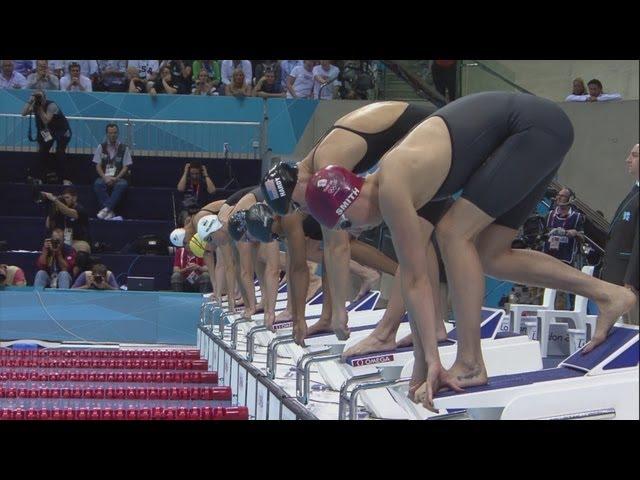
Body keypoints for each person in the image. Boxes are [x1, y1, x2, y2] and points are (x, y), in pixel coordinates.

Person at [304, 91, 636, 411]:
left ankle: (471, 362)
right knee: (491, 254)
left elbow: (417, 282)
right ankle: (608, 294)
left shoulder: (392, 188)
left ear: (352, 198)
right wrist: (423, 363)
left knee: (453, 233)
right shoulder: (401, 189)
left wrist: (433, 359)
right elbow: (414, 282)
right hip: (537, 130)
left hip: (532, 127)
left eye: (347, 224)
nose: (357, 231)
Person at [260, 100, 447, 355]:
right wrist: (334, 312)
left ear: (298, 185)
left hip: (434, 134)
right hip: (427, 133)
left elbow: (338, 246)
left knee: (414, 238)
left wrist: (340, 311)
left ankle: (386, 333)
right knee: (420, 237)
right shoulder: (316, 167)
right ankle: (434, 324)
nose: (301, 212)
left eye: (295, 205)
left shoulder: (326, 165)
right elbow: (332, 245)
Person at [601, 144, 639, 325]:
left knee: (633, 331)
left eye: (634, 155)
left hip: (629, 283)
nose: (628, 160)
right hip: (618, 278)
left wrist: (630, 280)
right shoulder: (634, 192)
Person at [21, 90, 73, 185]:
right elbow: (23, 113)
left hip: (62, 131)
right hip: (48, 132)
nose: (38, 99)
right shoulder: (35, 105)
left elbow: (46, 120)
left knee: (60, 152)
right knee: (43, 152)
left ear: (45, 97)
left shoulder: (51, 105)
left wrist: (39, 107)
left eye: (39, 97)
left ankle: (66, 178)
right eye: (37, 96)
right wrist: (30, 101)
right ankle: (41, 176)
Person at [92, 123, 132, 220]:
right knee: (98, 183)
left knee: (122, 184)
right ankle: (110, 211)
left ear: (118, 134)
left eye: (115, 133)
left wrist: (116, 178)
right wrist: (105, 178)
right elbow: (97, 165)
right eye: (110, 133)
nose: (113, 135)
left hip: (119, 178)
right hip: (105, 177)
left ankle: (106, 209)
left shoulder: (124, 148)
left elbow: (126, 166)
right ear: (107, 134)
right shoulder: (101, 147)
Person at [44, 186, 91, 264]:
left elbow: (68, 212)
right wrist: (52, 208)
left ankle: (76, 273)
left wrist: (55, 200)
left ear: (74, 198)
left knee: (83, 249)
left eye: (67, 197)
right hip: (62, 241)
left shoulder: (80, 209)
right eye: (64, 197)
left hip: (77, 241)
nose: (65, 200)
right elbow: (48, 226)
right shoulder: (59, 209)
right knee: (50, 245)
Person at [542, 188, 585, 266]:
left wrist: (574, 233)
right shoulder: (550, 214)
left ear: (570, 199)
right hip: (547, 258)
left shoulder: (577, 217)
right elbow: (542, 234)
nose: (558, 197)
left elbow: (582, 238)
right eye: (558, 195)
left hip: (565, 261)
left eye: (562, 196)